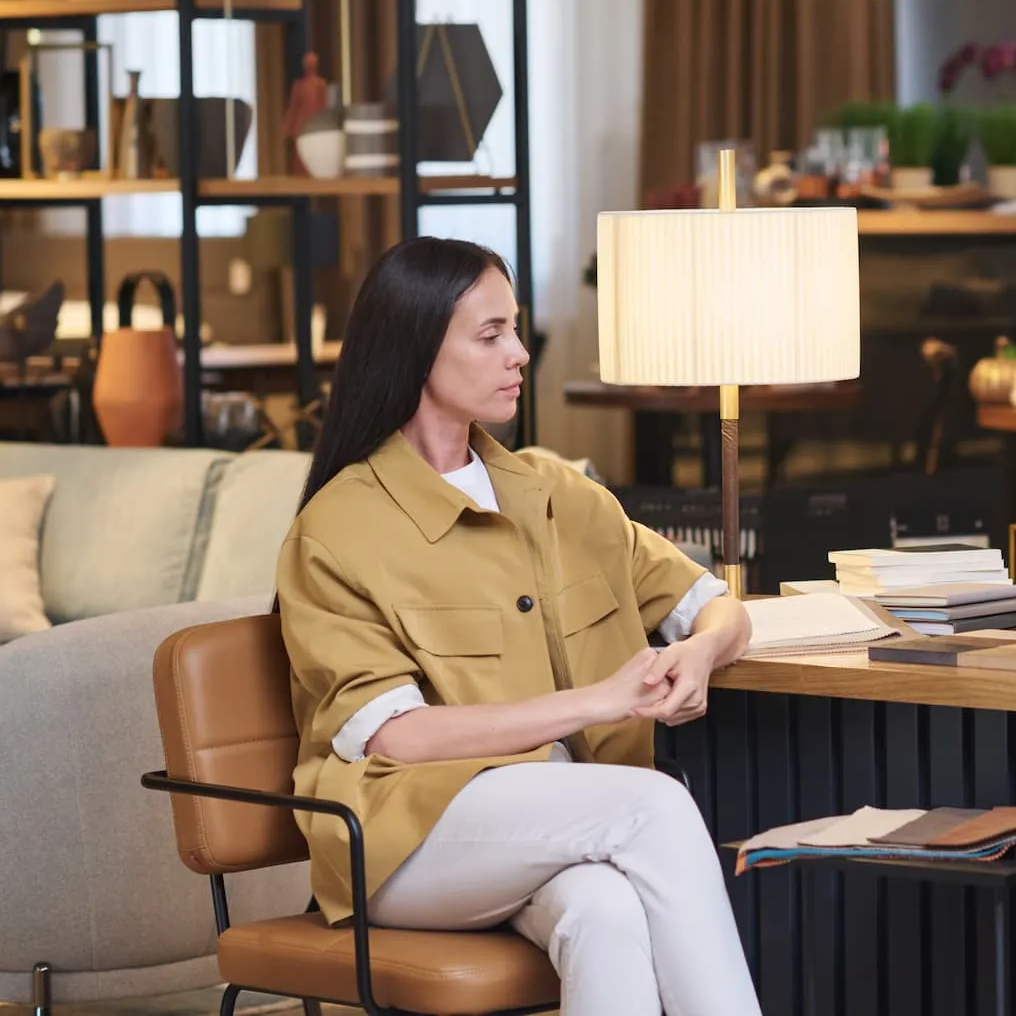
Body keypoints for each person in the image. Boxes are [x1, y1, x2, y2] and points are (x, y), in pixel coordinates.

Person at [276, 237, 759, 1016]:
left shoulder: (559, 493)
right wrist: (601, 701)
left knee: (604, 910)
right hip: (405, 837)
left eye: (517, 328)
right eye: (491, 333)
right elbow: (397, 737)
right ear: (417, 347)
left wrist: (702, 650)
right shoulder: (336, 530)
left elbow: (716, 603)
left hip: (548, 821)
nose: (520, 354)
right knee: (653, 804)